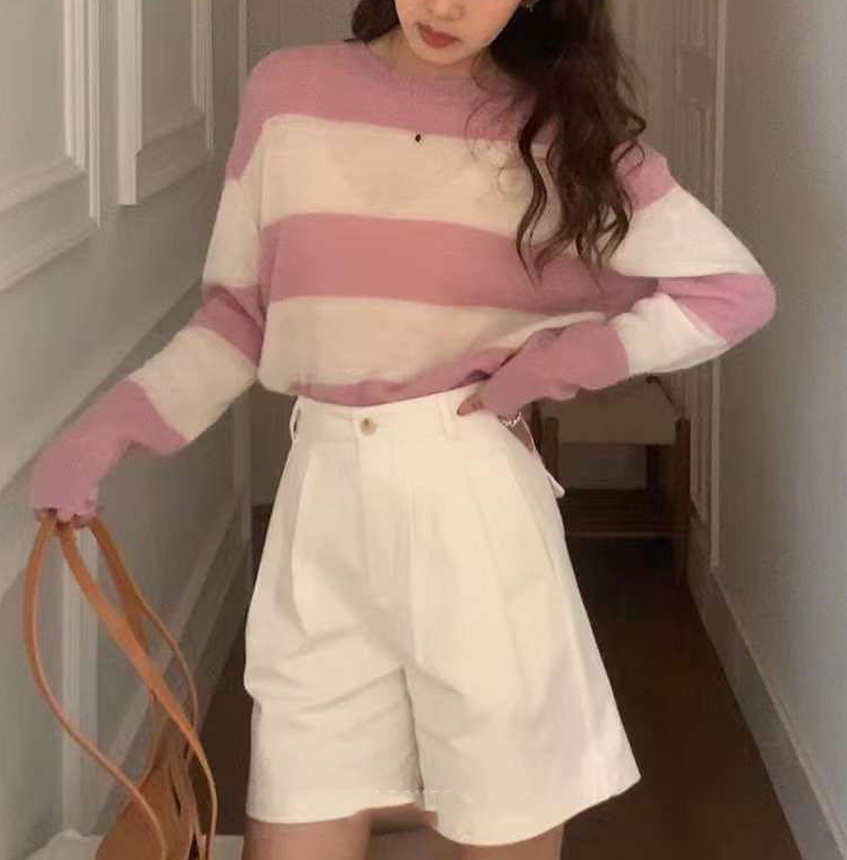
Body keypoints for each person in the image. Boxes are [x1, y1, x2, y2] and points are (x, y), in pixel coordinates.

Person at [28, 0, 778, 858]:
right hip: (323, 504)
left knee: (502, 811)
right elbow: (241, 316)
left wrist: (563, 363)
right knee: (303, 796)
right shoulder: (289, 95)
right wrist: (109, 430)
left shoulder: (562, 134)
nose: (445, 4)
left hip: (473, 499)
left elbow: (734, 290)